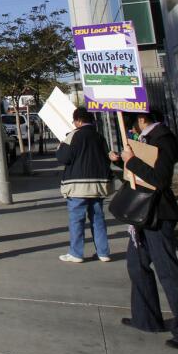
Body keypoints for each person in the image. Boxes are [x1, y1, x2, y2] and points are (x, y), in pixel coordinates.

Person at [109, 110, 178, 350]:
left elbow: (160, 179)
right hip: (143, 216)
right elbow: (139, 173)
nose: (133, 128)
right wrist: (121, 161)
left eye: (134, 122)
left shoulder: (163, 139)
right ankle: (146, 318)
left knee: (169, 272)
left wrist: (131, 160)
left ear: (142, 119)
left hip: (157, 213)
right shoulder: (147, 140)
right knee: (137, 265)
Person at [55, 106, 113, 263]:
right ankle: (103, 252)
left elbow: (63, 158)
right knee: (98, 218)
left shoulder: (73, 136)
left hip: (77, 185)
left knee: (77, 219)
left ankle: (76, 253)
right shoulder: (99, 137)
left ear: (78, 121)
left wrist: (60, 147)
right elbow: (107, 157)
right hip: (98, 184)